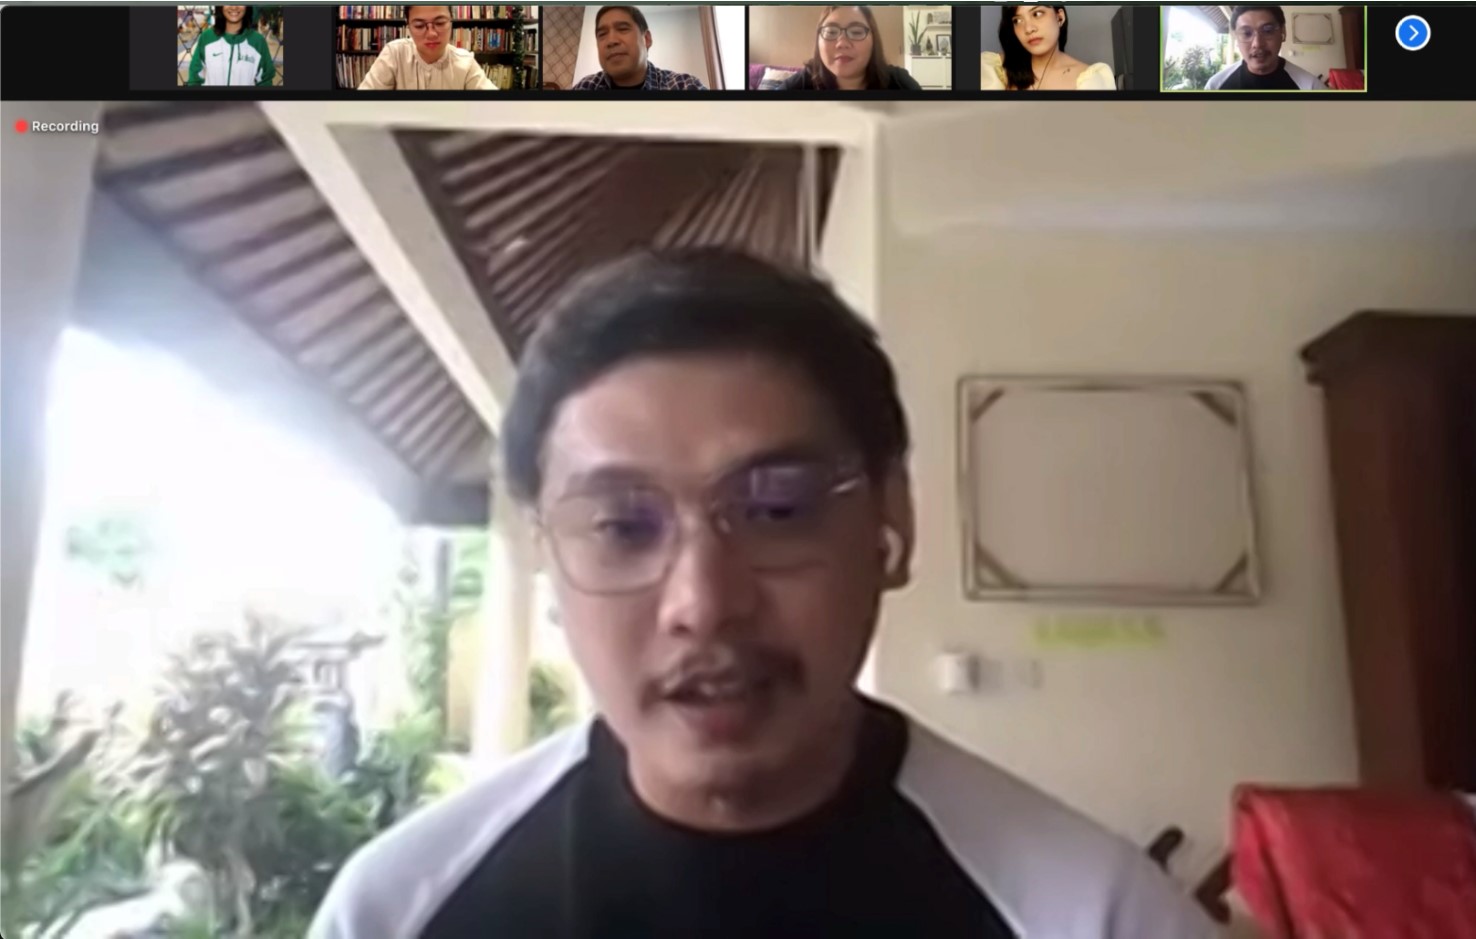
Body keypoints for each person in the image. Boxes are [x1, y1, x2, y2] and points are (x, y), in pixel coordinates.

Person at [309, 249, 1220, 939]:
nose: (703, 602)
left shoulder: (1093, 913)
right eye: (623, 527)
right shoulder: (397, 910)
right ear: (546, 556)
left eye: (777, 509)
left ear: (891, 521)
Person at [778, 6, 922, 91]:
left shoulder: (900, 84)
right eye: (831, 32)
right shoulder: (800, 85)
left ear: (874, 40)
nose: (842, 43)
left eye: (857, 32)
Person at [357, 5, 495, 91]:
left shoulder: (465, 63)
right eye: (419, 26)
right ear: (408, 27)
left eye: (440, 23)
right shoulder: (394, 54)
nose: (431, 34)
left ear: (451, 22)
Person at [572, 6, 707, 90]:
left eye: (623, 29)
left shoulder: (684, 86)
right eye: (602, 34)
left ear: (646, 39)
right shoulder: (585, 87)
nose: (611, 41)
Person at [981, 5, 1114, 91]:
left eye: (1037, 14)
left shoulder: (1091, 80)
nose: (1028, 29)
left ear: (1060, 17)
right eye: (1018, 20)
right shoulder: (995, 69)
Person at [1206, 5, 1328, 90]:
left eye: (1268, 31)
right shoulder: (1215, 86)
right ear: (1236, 38)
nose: (1257, 43)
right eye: (1247, 33)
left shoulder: (1311, 87)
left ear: (1283, 32)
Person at [186, 5, 276, 87]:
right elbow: (195, 78)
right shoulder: (207, 37)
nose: (234, 7)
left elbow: (265, 81)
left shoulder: (258, 41)